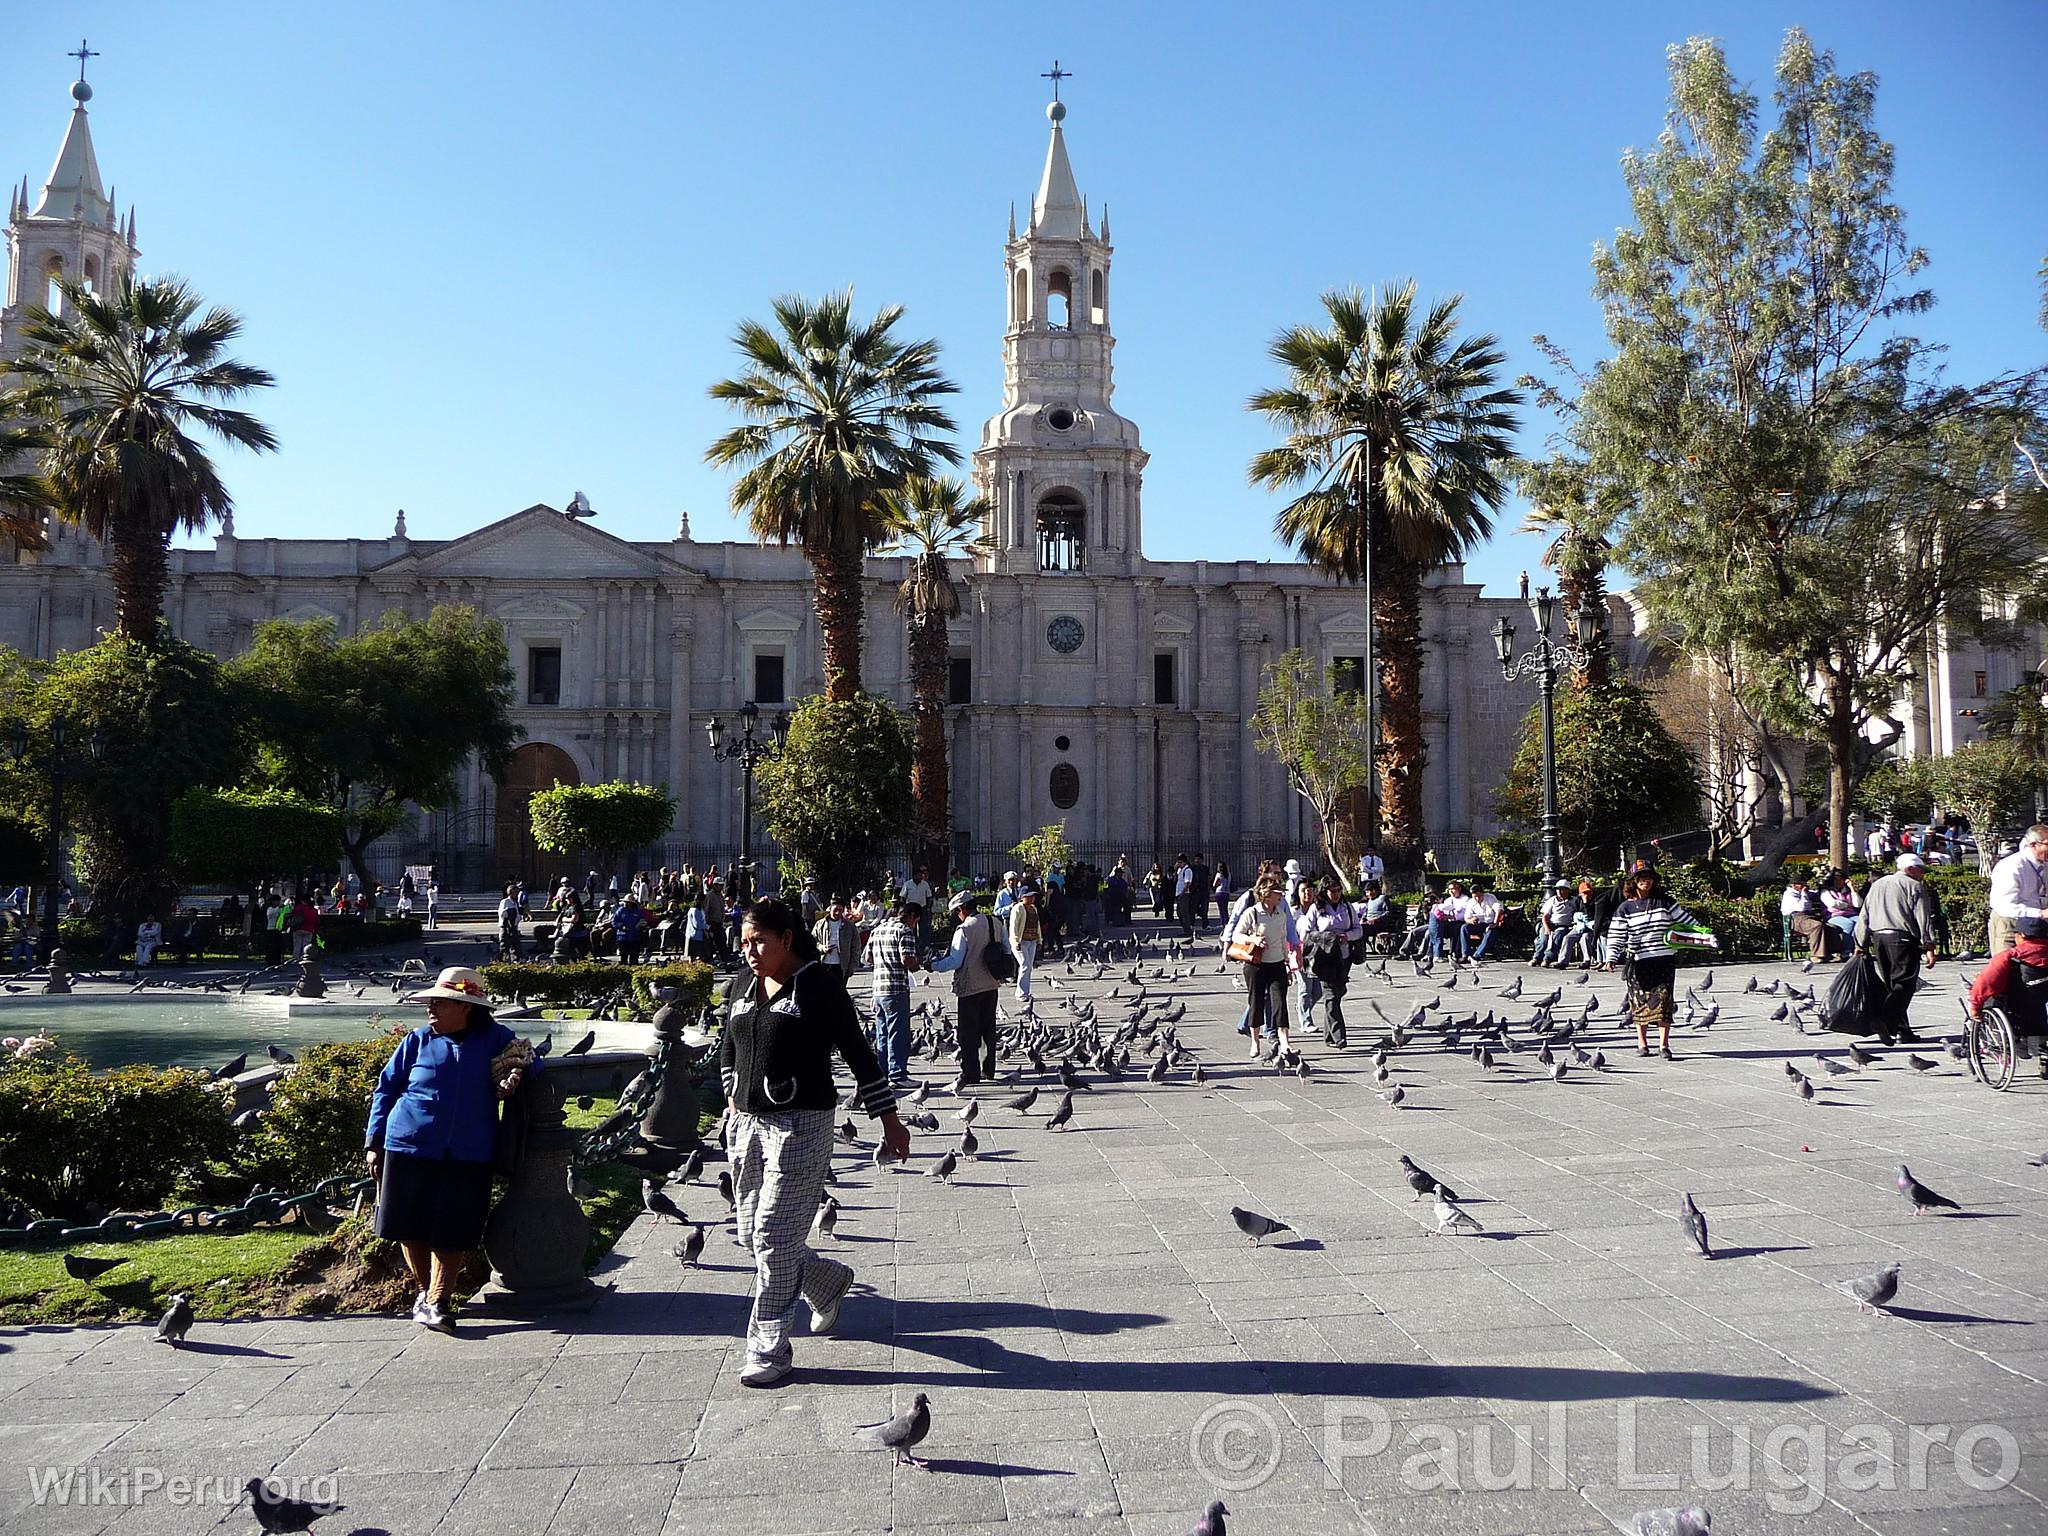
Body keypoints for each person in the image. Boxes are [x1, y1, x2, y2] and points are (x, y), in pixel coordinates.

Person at [720, 898, 908, 1387]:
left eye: (759, 940)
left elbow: (858, 1052)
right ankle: (824, 1280)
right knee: (750, 1235)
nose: (750, 951)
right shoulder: (741, 983)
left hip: (801, 1127)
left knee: (774, 1239)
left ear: (786, 937)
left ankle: (770, 1348)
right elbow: (728, 1050)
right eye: (744, 942)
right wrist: (732, 1099)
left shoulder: (820, 984)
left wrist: (888, 1119)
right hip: (746, 1129)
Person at [364, 966, 530, 1334]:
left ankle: (437, 1299)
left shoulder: (497, 1040)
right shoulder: (417, 1041)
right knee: (408, 1226)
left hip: (469, 1152)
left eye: (440, 1003)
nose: (431, 1010)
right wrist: (374, 1142)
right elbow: (386, 1090)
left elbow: (528, 1065)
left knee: (454, 1230)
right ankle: (428, 1296)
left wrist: (517, 1073)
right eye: (431, 1003)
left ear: (467, 1007)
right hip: (407, 1146)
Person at [1606, 867, 1695, 1060]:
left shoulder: (1666, 902)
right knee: (1639, 1002)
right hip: (1639, 962)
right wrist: (1611, 957)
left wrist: (1704, 936)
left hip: (1664, 960)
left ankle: (1664, 1045)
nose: (1646, 881)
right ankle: (1642, 1043)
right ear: (1633, 881)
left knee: (1664, 1002)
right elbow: (1616, 935)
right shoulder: (1625, 908)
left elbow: (1687, 922)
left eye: (1649, 878)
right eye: (1642, 878)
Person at [1854, 853, 1940, 1044]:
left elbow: (1864, 915)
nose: (1922, 875)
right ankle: (1886, 1021)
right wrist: (1929, 946)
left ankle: (1902, 1030)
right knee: (1905, 984)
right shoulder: (1914, 886)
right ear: (1909, 869)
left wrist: (1860, 942)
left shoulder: (1878, 884)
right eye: (1920, 870)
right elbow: (1923, 918)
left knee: (1891, 984)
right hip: (1901, 938)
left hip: (1878, 939)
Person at [928, 887, 1003, 1083]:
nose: (957, 916)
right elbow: (1005, 949)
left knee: (969, 1033)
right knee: (988, 1029)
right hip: (991, 984)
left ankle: (971, 1073)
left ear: (962, 909)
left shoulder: (964, 930)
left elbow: (955, 961)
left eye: (956, 912)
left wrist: (933, 965)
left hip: (970, 987)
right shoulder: (994, 922)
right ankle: (989, 1069)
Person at [1965, 917, 2048, 1075]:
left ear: (2021, 935)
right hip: (2041, 1005)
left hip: (2014, 1007)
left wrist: (1975, 1008)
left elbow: (1985, 983)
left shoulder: (2010, 956)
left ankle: (2005, 1047)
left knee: (1989, 997)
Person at [1229, 875, 1299, 1062]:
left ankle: (1284, 1041)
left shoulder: (1281, 914)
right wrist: (1253, 939)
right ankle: (1255, 1041)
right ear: (1266, 895)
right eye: (1277, 894)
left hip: (1277, 964)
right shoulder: (1252, 913)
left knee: (1280, 1003)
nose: (1281, 897)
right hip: (1256, 965)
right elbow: (1237, 935)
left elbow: (1284, 941)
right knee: (1256, 1002)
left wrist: (1287, 964)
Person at [864, 899, 922, 1087]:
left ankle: (883, 1073)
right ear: (912, 917)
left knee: (882, 1032)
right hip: (896, 988)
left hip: (878, 989)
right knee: (898, 1032)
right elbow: (907, 959)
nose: (915, 925)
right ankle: (898, 1075)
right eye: (916, 921)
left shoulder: (878, 929)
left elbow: (867, 958)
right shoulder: (904, 931)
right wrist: (917, 965)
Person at [1988, 824, 2048, 954]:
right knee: (2007, 969)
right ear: (2034, 845)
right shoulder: (2012, 866)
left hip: (2036, 926)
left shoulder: (2044, 865)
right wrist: (2040, 913)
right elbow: (2005, 907)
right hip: (2010, 924)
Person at [1781, 874, 1833, 962]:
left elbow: (1816, 894)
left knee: (1830, 927)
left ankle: (1829, 953)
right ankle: (1815, 955)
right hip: (1795, 919)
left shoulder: (1803, 892)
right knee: (1817, 926)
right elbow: (1801, 908)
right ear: (1794, 885)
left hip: (1808, 917)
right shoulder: (1789, 895)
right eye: (1802, 884)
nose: (1804, 886)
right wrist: (1804, 894)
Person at [1009, 886, 1042, 1003]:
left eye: (1033, 896)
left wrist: (1039, 940)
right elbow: (1013, 926)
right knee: (1024, 965)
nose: (1032, 898)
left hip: (1032, 940)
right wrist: (1016, 941)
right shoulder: (1018, 908)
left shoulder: (1034, 908)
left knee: (1029, 966)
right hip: (1021, 941)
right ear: (1023, 897)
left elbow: (1037, 925)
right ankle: (1021, 993)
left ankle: (1026, 992)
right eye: (1029, 896)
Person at [1533, 880, 1577, 966]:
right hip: (1549, 924)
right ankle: (1537, 958)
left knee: (1557, 936)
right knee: (1543, 939)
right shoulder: (1552, 900)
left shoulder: (1573, 901)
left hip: (1563, 926)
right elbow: (1545, 917)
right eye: (1558, 890)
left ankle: (1548, 958)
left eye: (1562, 890)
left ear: (1567, 890)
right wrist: (1546, 928)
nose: (1560, 892)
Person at [1459, 881, 1505, 961]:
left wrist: (1495, 923)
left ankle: (1477, 955)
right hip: (1478, 924)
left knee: (1491, 931)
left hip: (1490, 923)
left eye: (1479, 896)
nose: (1477, 898)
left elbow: (1499, 909)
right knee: (1464, 928)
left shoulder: (1490, 897)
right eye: (1474, 897)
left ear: (1482, 893)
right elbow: (1466, 917)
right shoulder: (1471, 902)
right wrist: (1471, 920)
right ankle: (1465, 954)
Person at [1819, 872, 1861, 954]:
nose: (1839, 882)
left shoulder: (1848, 892)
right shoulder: (1826, 892)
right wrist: (1846, 905)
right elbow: (1832, 903)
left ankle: (1858, 948)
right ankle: (1846, 951)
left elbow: (1858, 904)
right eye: (1836, 880)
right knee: (1848, 924)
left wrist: (1852, 889)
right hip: (1833, 916)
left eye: (1841, 879)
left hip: (1851, 915)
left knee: (1861, 922)